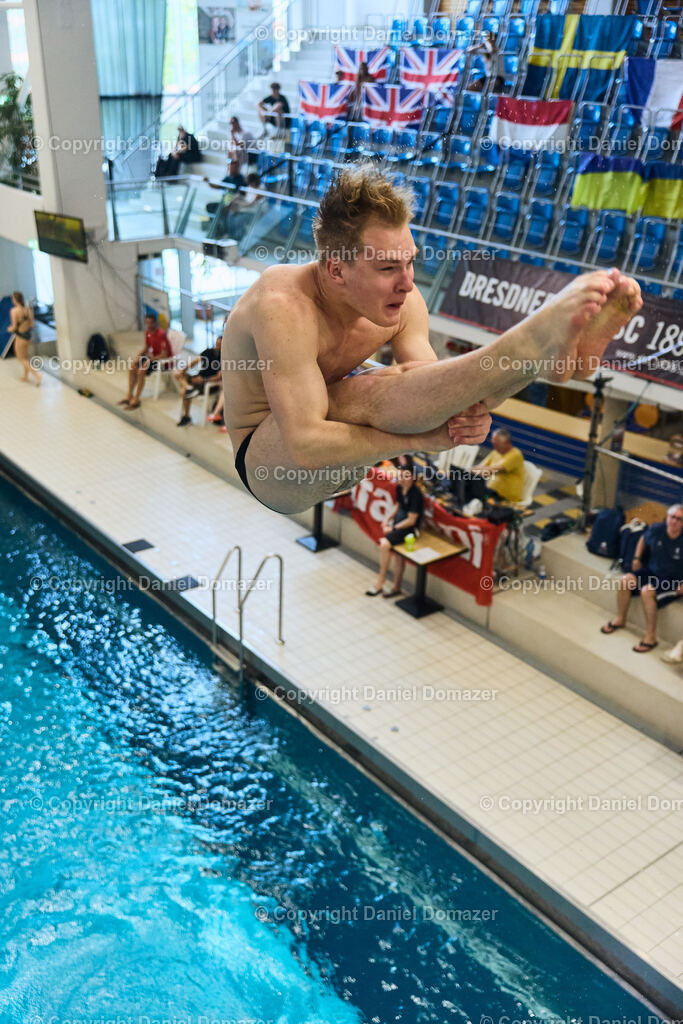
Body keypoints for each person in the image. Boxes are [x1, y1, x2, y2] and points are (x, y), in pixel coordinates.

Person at [222, 163, 642, 516]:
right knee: (364, 389)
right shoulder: (283, 304)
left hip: (347, 454)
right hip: (274, 468)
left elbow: (428, 390)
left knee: (419, 386)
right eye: (388, 268)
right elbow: (306, 445)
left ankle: (535, 362)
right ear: (336, 270)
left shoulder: (402, 302)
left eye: (410, 262)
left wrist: (464, 416)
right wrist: (416, 442)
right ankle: (526, 347)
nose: (407, 283)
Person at [601, 504, 683, 653]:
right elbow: (643, 539)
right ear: (668, 517)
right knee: (625, 580)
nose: (674, 521)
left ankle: (650, 638)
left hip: (673, 579)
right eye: (672, 517)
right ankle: (620, 619)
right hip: (652, 571)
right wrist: (637, 558)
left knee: (647, 591)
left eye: (679, 519)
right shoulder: (657, 529)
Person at [366, 455, 424, 597]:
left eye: (406, 476)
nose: (402, 479)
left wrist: (392, 528)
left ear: (413, 478)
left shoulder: (416, 495)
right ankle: (396, 586)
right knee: (398, 556)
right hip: (399, 524)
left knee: (385, 544)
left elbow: (411, 521)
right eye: (401, 476)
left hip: (410, 529)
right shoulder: (400, 488)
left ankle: (381, 579)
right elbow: (398, 506)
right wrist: (387, 519)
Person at [119, 313, 172, 410]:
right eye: (147, 323)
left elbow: (164, 354)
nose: (149, 325)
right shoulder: (147, 332)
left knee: (140, 371)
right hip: (153, 358)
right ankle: (129, 395)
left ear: (155, 323)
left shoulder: (161, 334)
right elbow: (146, 347)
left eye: (151, 323)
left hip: (164, 362)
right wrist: (138, 356)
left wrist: (149, 360)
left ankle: (137, 398)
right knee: (133, 367)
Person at [174, 334, 223, 426]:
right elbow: (195, 361)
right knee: (176, 372)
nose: (217, 346)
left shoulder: (224, 357)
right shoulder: (208, 352)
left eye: (220, 344)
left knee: (184, 392)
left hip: (208, 382)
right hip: (198, 378)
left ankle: (187, 416)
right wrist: (183, 370)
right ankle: (187, 387)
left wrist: (203, 380)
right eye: (217, 343)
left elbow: (218, 377)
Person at [473, 429, 525, 503]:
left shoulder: (515, 455)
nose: (494, 446)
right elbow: (481, 466)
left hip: (505, 498)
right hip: (491, 492)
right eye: (493, 443)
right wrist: (467, 472)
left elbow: (490, 471)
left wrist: (469, 472)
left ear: (506, 443)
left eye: (497, 444)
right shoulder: (496, 451)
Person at [7, 291, 40, 386]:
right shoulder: (27, 309)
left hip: (20, 337)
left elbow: (14, 327)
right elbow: (32, 323)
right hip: (27, 337)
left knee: (21, 359)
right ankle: (26, 376)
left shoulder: (14, 311)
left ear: (15, 299)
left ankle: (37, 375)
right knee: (25, 358)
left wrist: (9, 329)